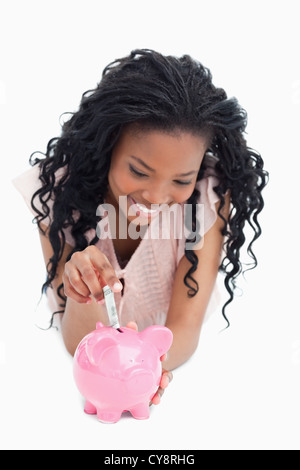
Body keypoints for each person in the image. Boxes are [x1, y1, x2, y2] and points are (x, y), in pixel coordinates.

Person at [14, 49, 268, 406]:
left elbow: (184, 328)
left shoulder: (206, 200)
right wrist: (80, 287)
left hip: (155, 356)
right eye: (138, 171)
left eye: (181, 178)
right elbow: (77, 345)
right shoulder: (61, 194)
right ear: (109, 144)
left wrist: (145, 369)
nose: (156, 195)